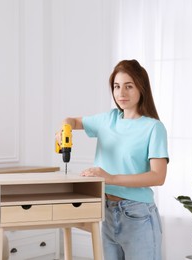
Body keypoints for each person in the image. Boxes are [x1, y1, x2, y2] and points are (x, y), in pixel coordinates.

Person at [56, 59, 169, 260]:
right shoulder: (109, 119)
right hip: (107, 212)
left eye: (128, 86)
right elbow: (74, 121)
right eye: (117, 87)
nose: (121, 94)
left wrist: (110, 178)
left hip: (138, 216)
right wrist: (65, 127)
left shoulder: (153, 128)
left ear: (141, 88)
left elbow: (158, 176)